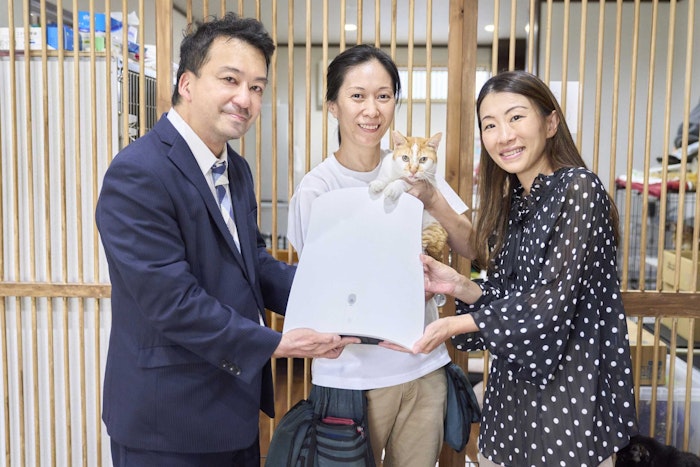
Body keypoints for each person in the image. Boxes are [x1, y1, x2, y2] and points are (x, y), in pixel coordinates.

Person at [95, 13, 357, 467]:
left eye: (257, 87)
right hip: (167, 420)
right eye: (230, 80)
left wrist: (343, 293)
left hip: (233, 407)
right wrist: (276, 344)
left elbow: (254, 262)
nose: (245, 99)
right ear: (187, 83)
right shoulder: (138, 172)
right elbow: (172, 302)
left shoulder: (235, 168)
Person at [412, 70, 639, 467]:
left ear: (550, 123)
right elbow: (510, 296)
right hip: (514, 397)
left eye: (516, 117)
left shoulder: (579, 188)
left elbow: (551, 301)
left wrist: (452, 325)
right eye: (490, 124)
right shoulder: (516, 201)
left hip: (571, 398)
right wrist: (461, 286)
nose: (504, 135)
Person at [286, 44, 474, 467]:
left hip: (423, 366)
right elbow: (319, 284)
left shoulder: (415, 168)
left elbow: (471, 245)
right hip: (350, 376)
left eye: (384, 96)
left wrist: (433, 199)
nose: (372, 109)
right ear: (333, 106)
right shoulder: (318, 188)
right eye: (357, 96)